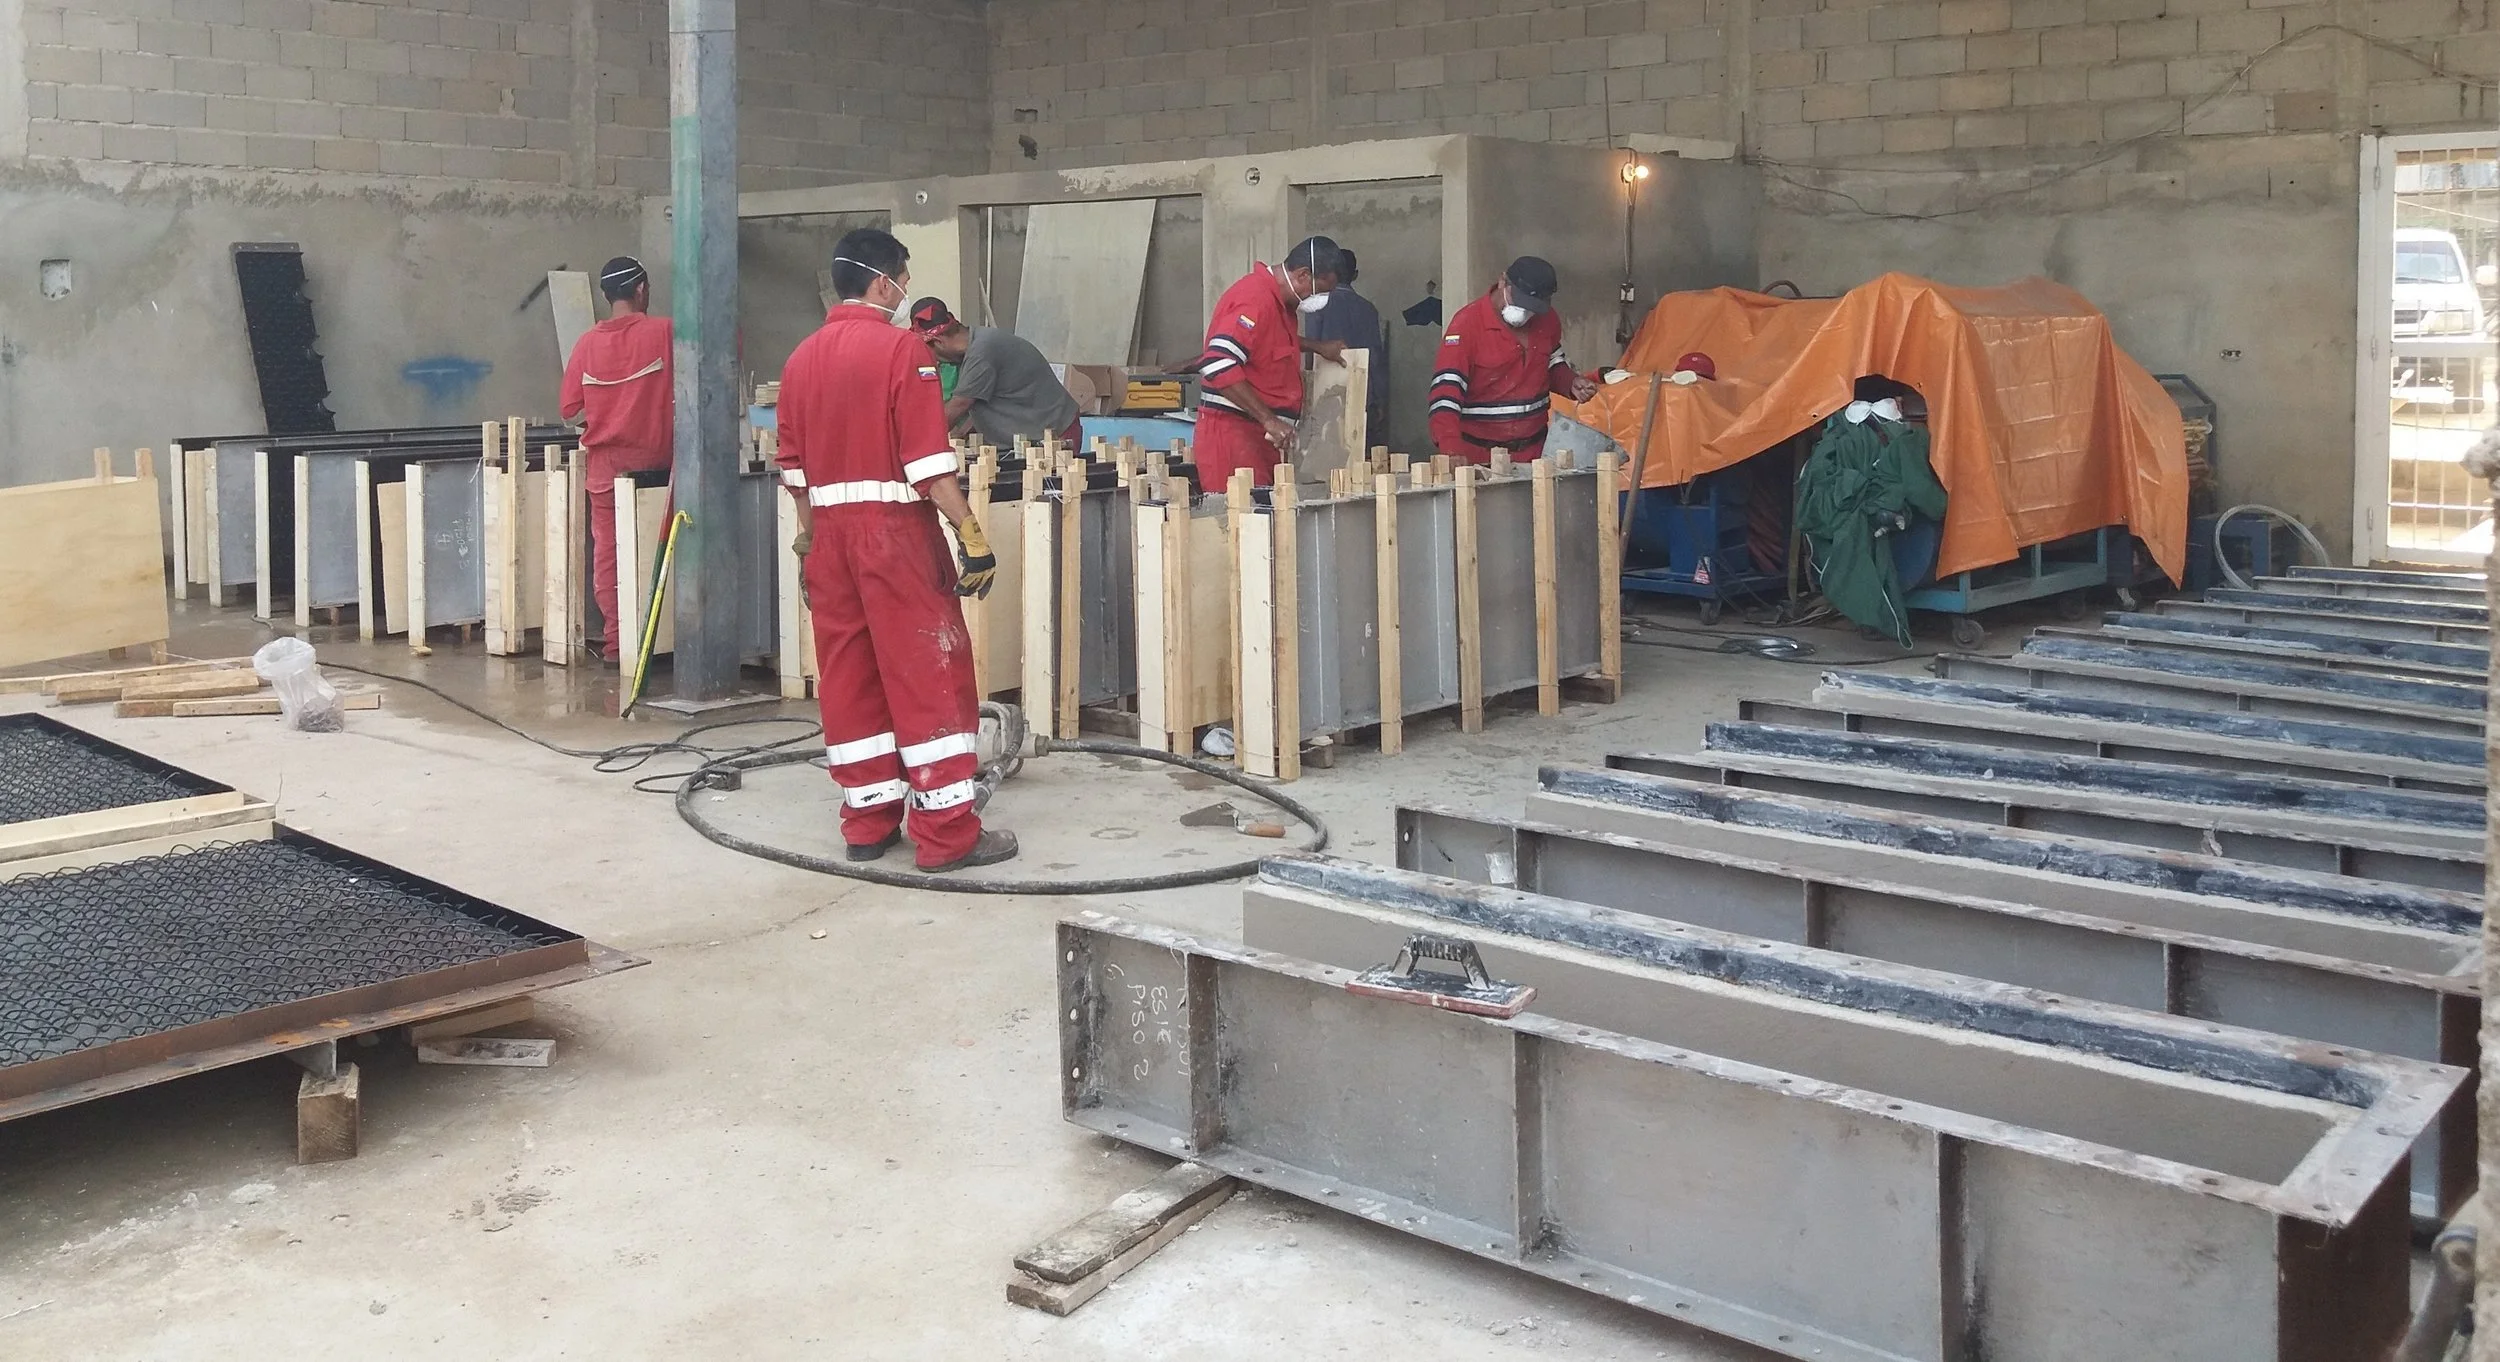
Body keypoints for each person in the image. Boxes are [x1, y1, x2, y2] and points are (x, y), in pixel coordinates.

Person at [775, 228, 1016, 873]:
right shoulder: (903, 350)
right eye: (904, 279)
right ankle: (946, 835)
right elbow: (928, 462)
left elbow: (793, 470)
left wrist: (808, 543)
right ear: (884, 283)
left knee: (849, 676)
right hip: (894, 536)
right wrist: (971, 534)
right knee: (928, 673)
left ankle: (867, 821)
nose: (906, 289)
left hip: (828, 541)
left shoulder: (800, 359)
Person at [559, 256, 673, 663]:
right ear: (641, 289)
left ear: (607, 295)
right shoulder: (664, 332)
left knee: (610, 554)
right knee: (665, 551)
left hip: (605, 469)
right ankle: (665, 640)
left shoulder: (587, 343)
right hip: (658, 467)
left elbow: (569, 407)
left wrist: (606, 408)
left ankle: (617, 644)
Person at [1191, 236, 1347, 489]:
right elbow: (1217, 362)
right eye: (1321, 291)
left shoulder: (1279, 305)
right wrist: (1269, 420)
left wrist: (1317, 347)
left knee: (1264, 511)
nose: (1321, 300)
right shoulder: (1254, 299)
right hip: (1234, 436)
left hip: (1258, 438)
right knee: (1242, 512)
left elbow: (1268, 343)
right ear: (1303, 275)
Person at [1427, 256, 1600, 464]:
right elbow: (1445, 396)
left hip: (1535, 453)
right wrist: (1451, 450)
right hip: (1479, 456)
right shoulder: (1466, 325)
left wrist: (1570, 382)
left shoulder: (1547, 320)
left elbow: (1551, 363)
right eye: (1521, 302)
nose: (1525, 312)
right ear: (1503, 282)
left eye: (1532, 307)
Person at [907, 299, 1084, 451]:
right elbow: (979, 400)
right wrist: (961, 433)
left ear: (938, 342)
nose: (933, 360)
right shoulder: (976, 344)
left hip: (1055, 436)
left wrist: (917, 446)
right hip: (1032, 438)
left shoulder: (982, 351)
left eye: (928, 351)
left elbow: (960, 404)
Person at [1301, 247, 1388, 441]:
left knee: (1325, 448)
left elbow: (1309, 352)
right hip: (1362, 391)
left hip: (1324, 390)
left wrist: (1307, 390)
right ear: (1355, 275)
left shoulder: (1316, 305)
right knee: (1358, 449)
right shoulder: (1368, 309)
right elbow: (1376, 358)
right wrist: (1380, 399)